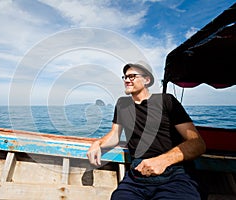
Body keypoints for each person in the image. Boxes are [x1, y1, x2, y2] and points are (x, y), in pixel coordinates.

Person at [86, 61, 206, 200]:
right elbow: (114, 135)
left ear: (146, 80)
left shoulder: (166, 101)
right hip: (137, 175)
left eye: (132, 76)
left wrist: (162, 161)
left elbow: (197, 143)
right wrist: (97, 143)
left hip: (174, 173)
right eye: (125, 77)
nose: (127, 80)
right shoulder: (122, 104)